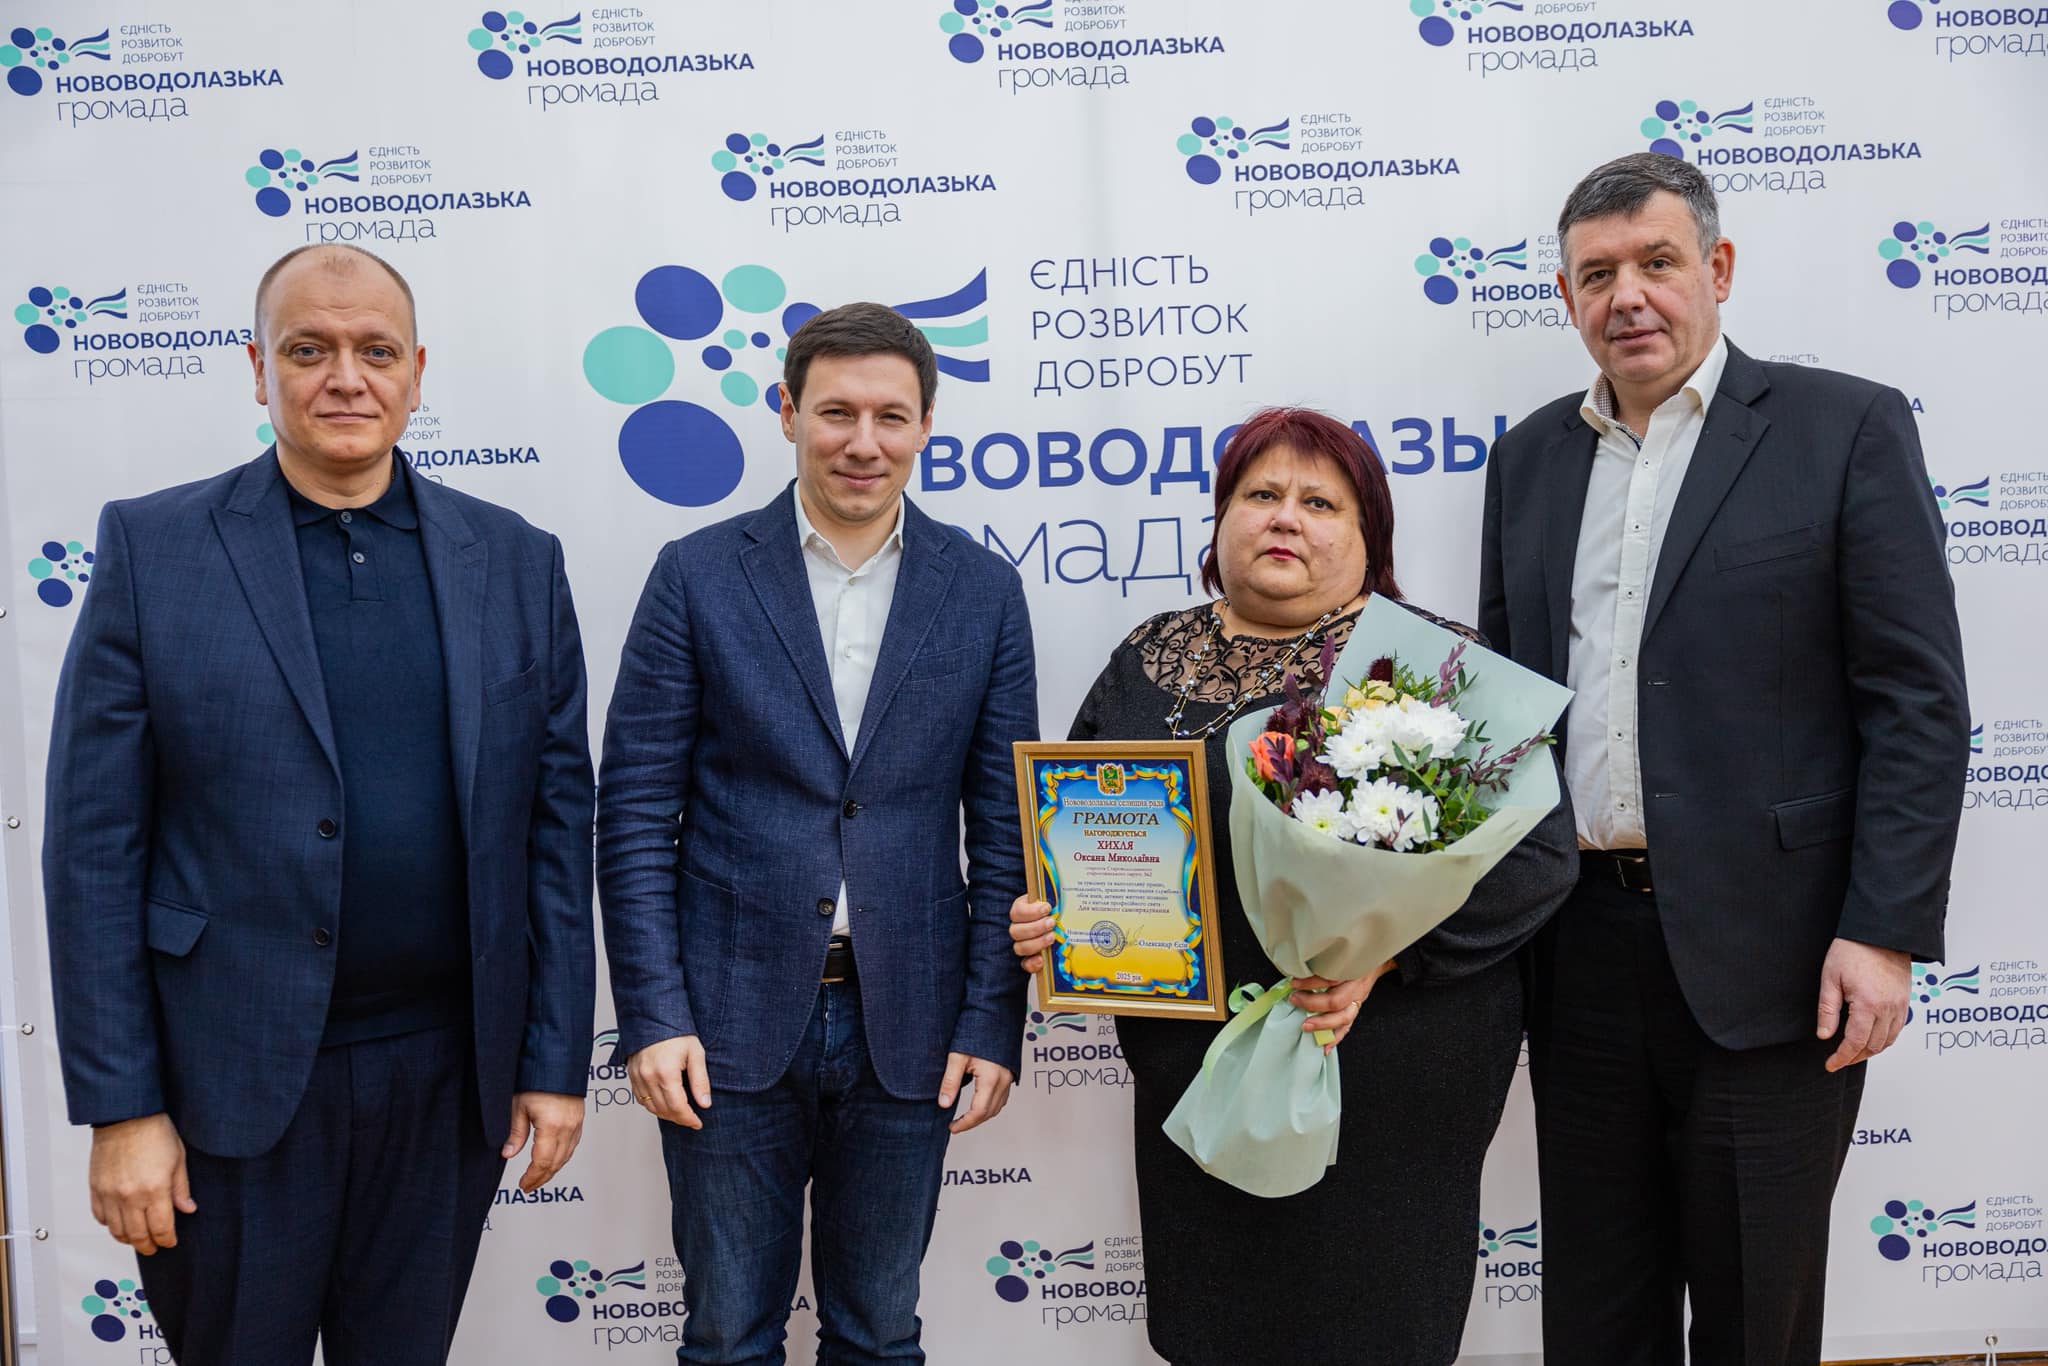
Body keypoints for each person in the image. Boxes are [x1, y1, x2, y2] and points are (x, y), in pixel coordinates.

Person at [42, 243, 597, 1364]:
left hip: (446, 1086)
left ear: (416, 372)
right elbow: (94, 849)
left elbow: (553, 830)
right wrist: (123, 1108)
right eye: (308, 350)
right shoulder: (155, 549)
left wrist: (551, 1061)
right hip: (227, 1090)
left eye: (375, 351)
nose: (346, 377)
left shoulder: (515, 560)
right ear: (259, 370)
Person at [1479, 153, 1968, 1365]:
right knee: (1594, 1318)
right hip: (1578, 954)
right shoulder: (1526, 459)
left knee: (1756, 1318)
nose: (1627, 296)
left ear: (1718, 267)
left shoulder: (1841, 428)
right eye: (1597, 274)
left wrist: (1881, 929)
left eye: (1655, 262)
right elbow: (1508, 703)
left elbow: (1914, 701)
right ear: (1564, 296)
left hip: (1778, 959)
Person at [1008, 406, 1578, 1366]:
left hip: (1388, 1056)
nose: (1285, 518)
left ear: (1369, 538)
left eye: (1320, 503)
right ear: (1220, 519)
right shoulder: (1150, 657)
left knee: (1375, 1325)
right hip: (1194, 1059)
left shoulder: (1432, 664)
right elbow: (1078, 829)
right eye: (1260, 494)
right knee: (1214, 1323)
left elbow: (1537, 858)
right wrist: (1052, 915)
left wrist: (1383, 958)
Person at [596, 302, 1038, 1364]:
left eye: (890, 416)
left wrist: (991, 1020)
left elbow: (1005, 831)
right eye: (836, 411)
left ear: (925, 425)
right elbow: (635, 814)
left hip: (911, 1027)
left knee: (879, 1334)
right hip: (724, 1022)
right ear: (787, 411)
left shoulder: (982, 591)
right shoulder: (696, 574)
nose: (862, 442)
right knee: (726, 1337)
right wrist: (652, 1016)